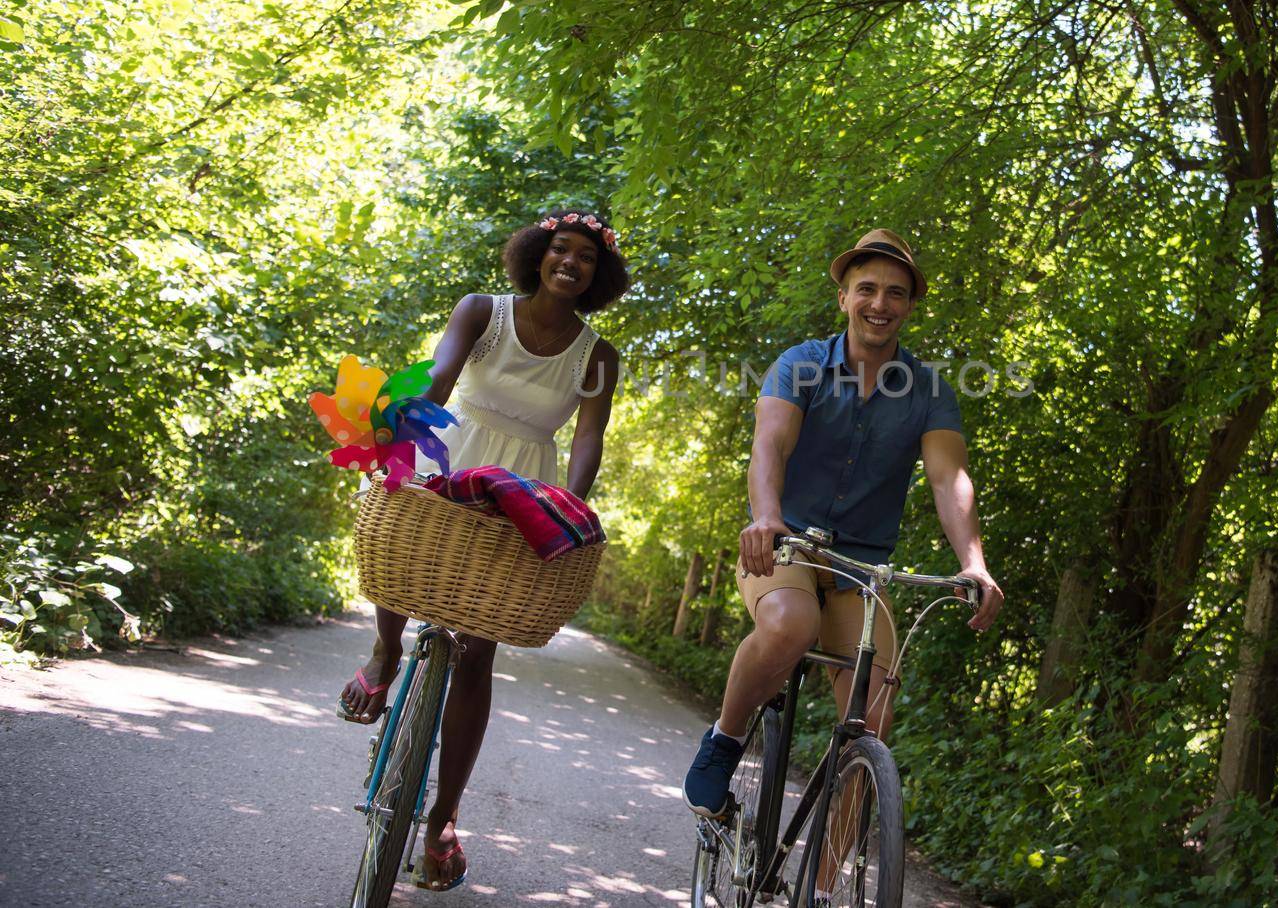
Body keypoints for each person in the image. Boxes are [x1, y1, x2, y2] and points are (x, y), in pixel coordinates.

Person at [337, 209, 628, 891]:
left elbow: (588, 436)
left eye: (587, 257)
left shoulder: (599, 355)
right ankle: (384, 653)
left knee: (479, 647)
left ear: (599, 274)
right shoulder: (482, 312)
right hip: (453, 445)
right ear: (539, 253)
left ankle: (441, 820)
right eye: (561, 249)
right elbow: (441, 375)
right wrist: (403, 444)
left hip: (526, 481)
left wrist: (570, 503)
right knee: (405, 544)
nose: (571, 262)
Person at [681, 228, 1004, 827]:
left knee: (872, 720)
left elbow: (948, 478)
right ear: (844, 298)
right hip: (788, 545)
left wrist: (973, 561)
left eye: (896, 293)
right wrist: (767, 517)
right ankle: (725, 739)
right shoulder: (800, 365)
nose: (880, 303)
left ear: (910, 305)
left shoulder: (929, 391)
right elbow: (770, 446)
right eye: (867, 289)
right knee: (790, 625)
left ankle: (827, 889)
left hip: (861, 569)